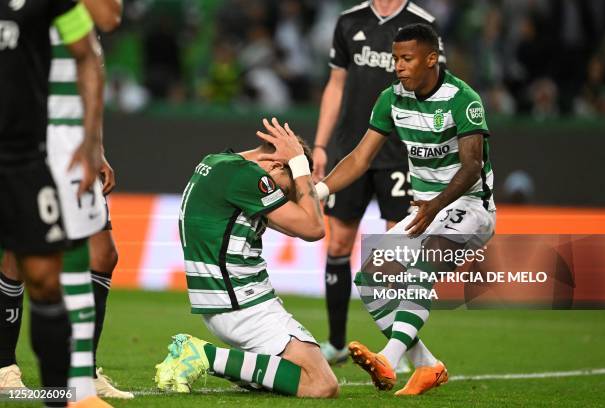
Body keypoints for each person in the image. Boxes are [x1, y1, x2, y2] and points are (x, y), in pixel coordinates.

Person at [314, 24, 496, 396]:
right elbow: (360, 158)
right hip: (425, 210)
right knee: (369, 277)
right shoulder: (391, 99)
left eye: (407, 59)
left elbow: (472, 165)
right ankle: (427, 366)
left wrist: (435, 205)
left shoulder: (463, 99)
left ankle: (389, 357)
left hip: (469, 207)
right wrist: (320, 188)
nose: (398, 66)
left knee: (423, 264)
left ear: (431, 59)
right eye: (396, 58)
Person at [0, 0, 132, 402]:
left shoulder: (58, 8)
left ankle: (74, 383)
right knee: (23, 258)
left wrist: (94, 142)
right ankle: (11, 367)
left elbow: (103, 27)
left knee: (94, 254)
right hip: (37, 140)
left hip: (61, 138)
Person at [154, 118, 338, 398]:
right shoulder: (247, 177)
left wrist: (312, 183)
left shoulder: (217, 163)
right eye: (286, 188)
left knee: (286, 375)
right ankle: (203, 355)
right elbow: (313, 228)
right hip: (245, 304)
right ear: (278, 164)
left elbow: (292, 221)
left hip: (222, 301)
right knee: (322, 384)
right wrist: (300, 164)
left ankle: (245, 373)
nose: (284, 195)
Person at [312, 0, 446, 370]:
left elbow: (435, 91)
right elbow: (336, 86)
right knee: (337, 242)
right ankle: (336, 342)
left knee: (395, 254)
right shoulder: (349, 20)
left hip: (399, 156)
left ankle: (399, 348)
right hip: (352, 154)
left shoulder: (422, 23)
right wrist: (321, 145)